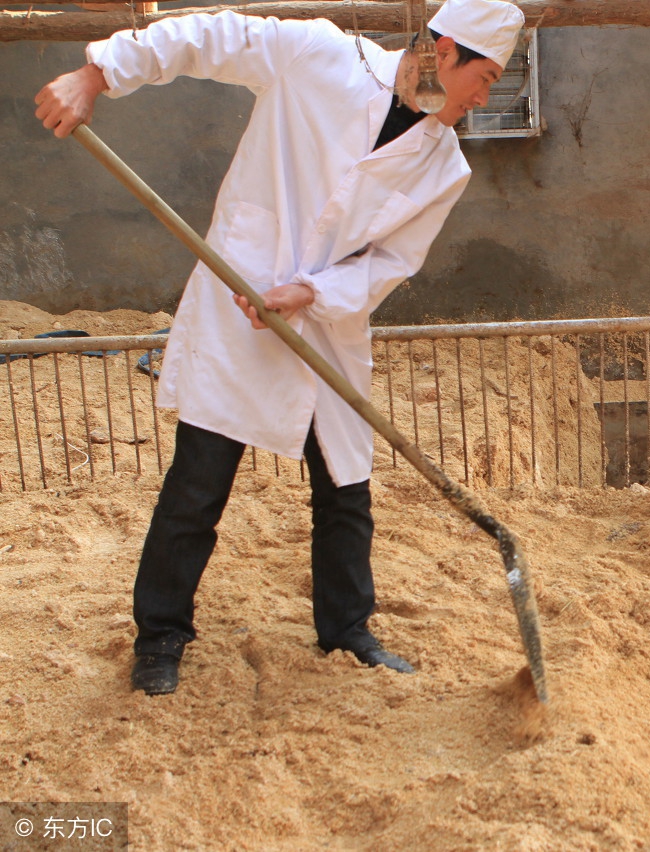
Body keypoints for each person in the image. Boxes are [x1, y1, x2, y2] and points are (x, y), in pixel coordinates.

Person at [33, 0, 525, 695]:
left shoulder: (444, 164)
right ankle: (160, 637)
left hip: (326, 324)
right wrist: (99, 72)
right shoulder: (321, 56)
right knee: (199, 483)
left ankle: (347, 629)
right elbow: (208, 36)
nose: (485, 96)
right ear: (444, 52)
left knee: (345, 489)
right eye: (487, 76)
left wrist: (312, 293)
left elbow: (390, 263)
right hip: (240, 304)